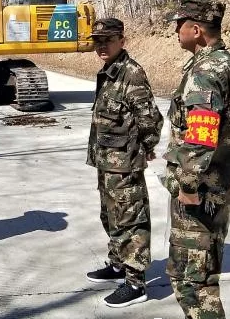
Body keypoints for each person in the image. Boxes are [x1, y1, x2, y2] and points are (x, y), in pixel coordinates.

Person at [163, 0, 230, 319]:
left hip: (200, 193)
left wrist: (188, 184)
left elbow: (201, 135)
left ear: (196, 30)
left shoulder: (206, 70)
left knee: (193, 283)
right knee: (201, 275)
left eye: (180, 25)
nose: (176, 31)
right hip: (219, 185)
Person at [84, 18, 164, 308]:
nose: (102, 46)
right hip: (107, 160)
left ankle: (135, 282)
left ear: (122, 40)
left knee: (130, 220)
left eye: (108, 40)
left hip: (125, 163)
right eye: (97, 41)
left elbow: (150, 119)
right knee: (110, 216)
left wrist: (146, 147)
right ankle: (118, 264)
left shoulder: (131, 74)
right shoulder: (108, 71)